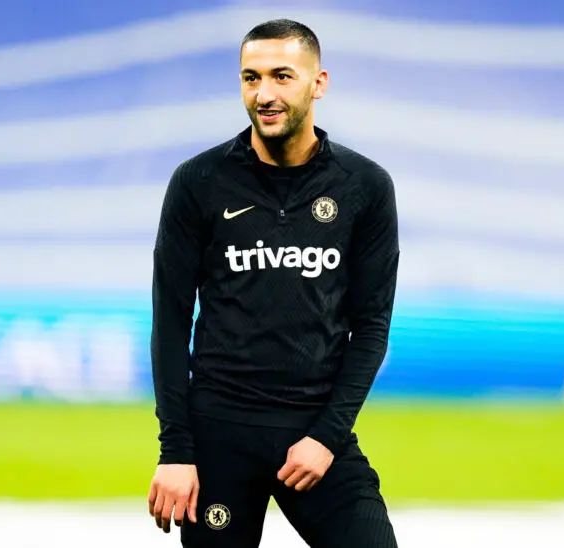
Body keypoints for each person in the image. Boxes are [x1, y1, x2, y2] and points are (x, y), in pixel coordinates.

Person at [148, 19, 400, 548]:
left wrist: (327, 438)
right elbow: (170, 323)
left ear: (318, 83)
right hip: (219, 433)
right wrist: (176, 451)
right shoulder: (198, 181)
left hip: (315, 433)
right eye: (251, 78)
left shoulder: (365, 186)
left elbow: (371, 328)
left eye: (282, 76)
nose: (264, 94)